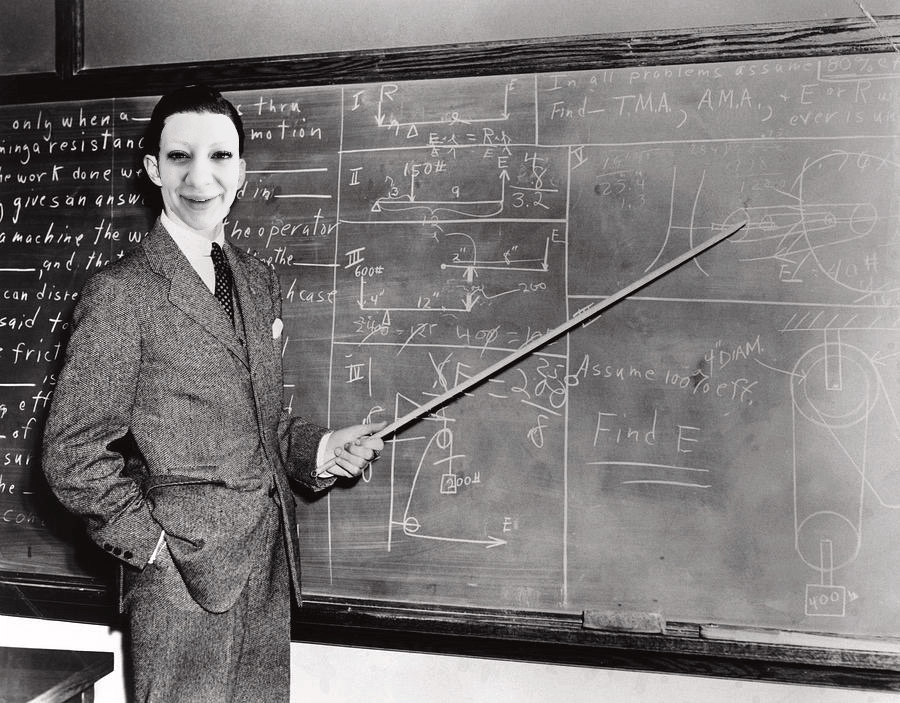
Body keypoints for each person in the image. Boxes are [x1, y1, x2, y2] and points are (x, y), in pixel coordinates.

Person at [41, 85, 385, 702]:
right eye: (180, 156)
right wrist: (153, 549)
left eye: (220, 156)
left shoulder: (256, 280)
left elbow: (261, 422)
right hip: (179, 581)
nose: (200, 177)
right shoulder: (122, 292)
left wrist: (322, 448)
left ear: (241, 171)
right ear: (154, 169)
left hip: (267, 568)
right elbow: (71, 453)